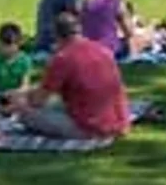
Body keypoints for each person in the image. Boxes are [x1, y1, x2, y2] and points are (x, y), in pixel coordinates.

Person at [16, 11, 131, 141]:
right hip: (119, 122)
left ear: (56, 35)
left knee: (24, 113)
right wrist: (26, 92)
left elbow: (39, 100)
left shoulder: (63, 58)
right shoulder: (101, 49)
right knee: (53, 103)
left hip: (91, 129)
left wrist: (20, 101)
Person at [80, 0, 151, 60]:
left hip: (88, 49)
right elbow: (129, 32)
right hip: (110, 50)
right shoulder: (114, 1)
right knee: (144, 37)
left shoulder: (85, 1)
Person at [0, 22, 35, 108]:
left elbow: (25, 85)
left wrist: (15, 92)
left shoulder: (24, 60)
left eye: (9, 46)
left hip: (14, 95)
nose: (6, 49)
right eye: (3, 45)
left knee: (23, 100)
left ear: (18, 44)